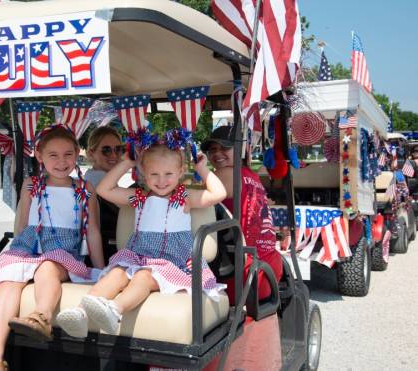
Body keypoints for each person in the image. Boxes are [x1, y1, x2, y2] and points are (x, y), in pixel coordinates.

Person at [56, 139, 226, 338]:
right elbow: (104, 190)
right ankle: (81, 312)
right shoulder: (139, 197)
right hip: (139, 257)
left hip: (171, 262)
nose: (161, 180)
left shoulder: (183, 197)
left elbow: (218, 194)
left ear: (180, 172)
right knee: (117, 273)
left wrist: (202, 169)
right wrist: (127, 162)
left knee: (143, 276)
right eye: (154, 174)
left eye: (168, 174)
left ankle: (114, 310)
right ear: (144, 173)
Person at [0, 126, 105, 371]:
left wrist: (100, 269)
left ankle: (42, 317)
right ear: (40, 156)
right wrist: (15, 257)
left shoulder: (83, 189)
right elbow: (22, 225)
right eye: (53, 155)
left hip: (63, 251)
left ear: (77, 153)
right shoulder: (32, 184)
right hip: (29, 247)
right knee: (7, 282)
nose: (61, 162)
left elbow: (93, 231)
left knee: (47, 267)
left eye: (68, 154)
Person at [201, 126, 283, 300]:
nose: (217, 154)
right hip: (268, 267)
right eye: (212, 149)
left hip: (242, 274)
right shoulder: (251, 175)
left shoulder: (224, 174)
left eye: (224, 148)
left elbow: (189, 203)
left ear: (240, 149)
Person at [84, 126, 126, 263]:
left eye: (118, 149)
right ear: (91, 153)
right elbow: (129, 208)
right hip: (105, 250)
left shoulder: (96, 177)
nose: (114, 155)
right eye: (106, 150)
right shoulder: (96, 181)